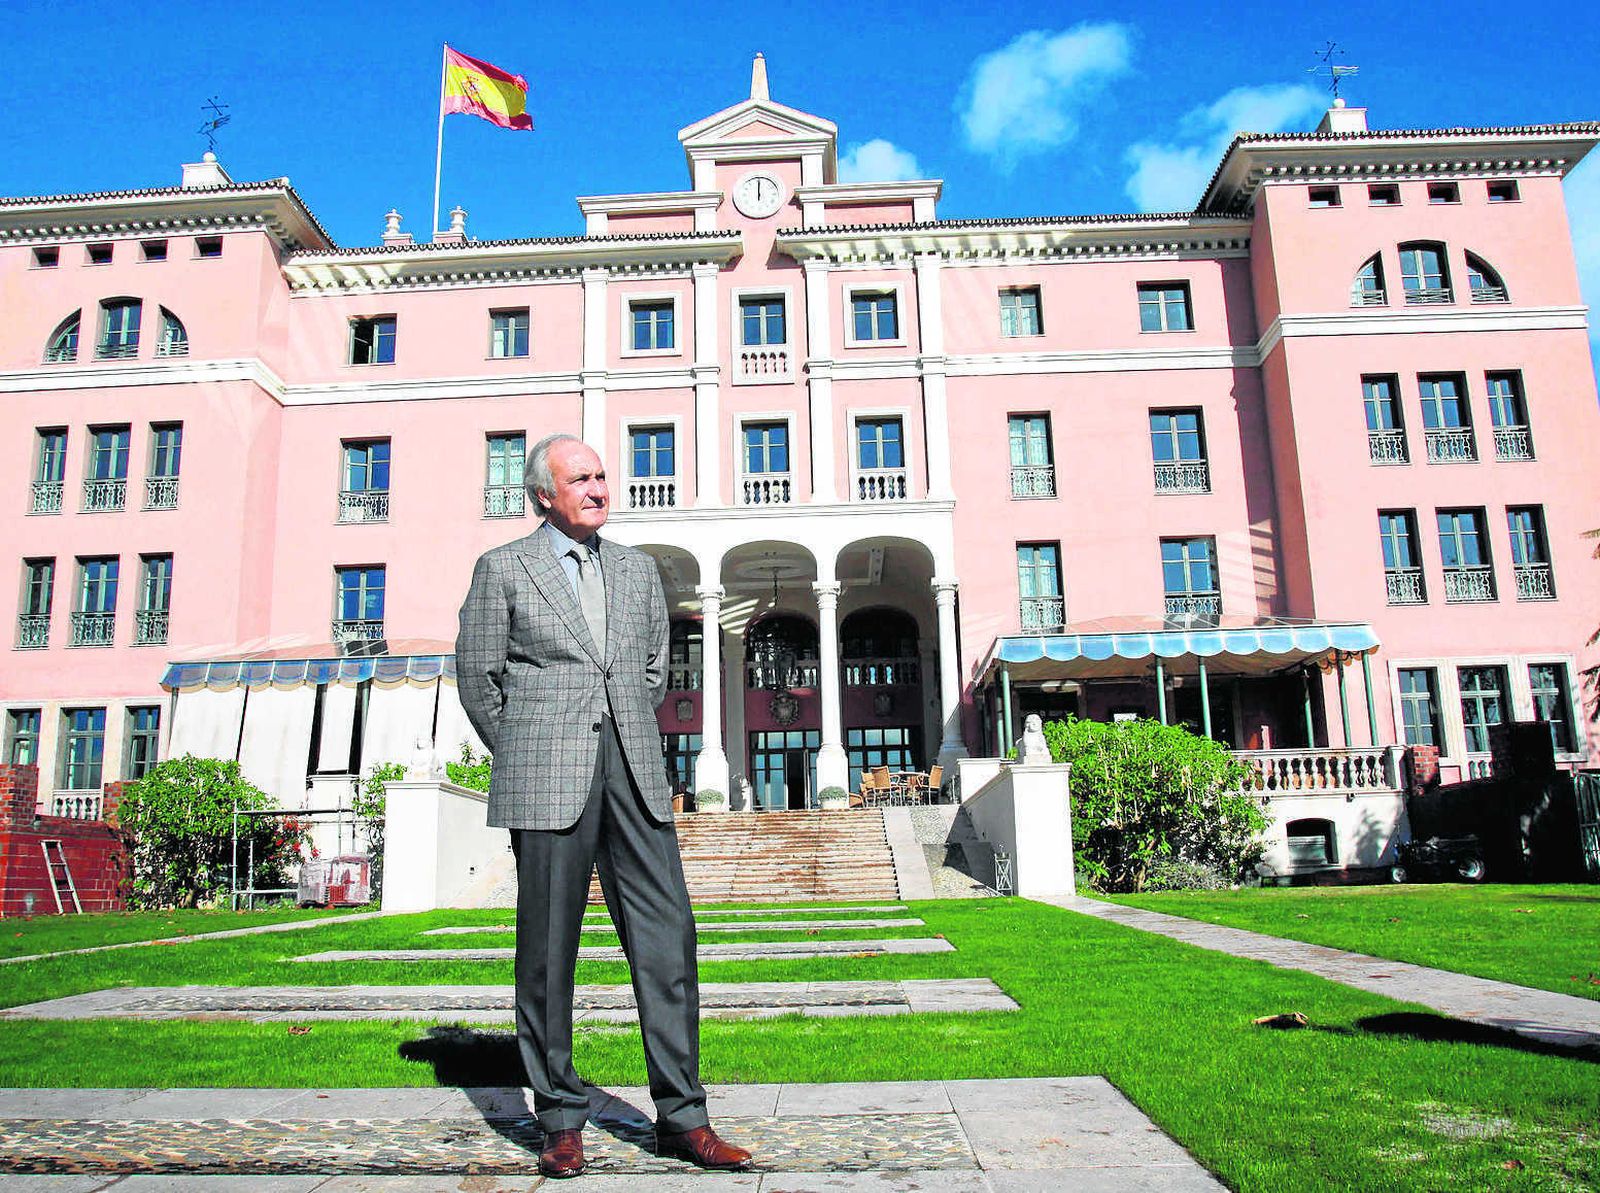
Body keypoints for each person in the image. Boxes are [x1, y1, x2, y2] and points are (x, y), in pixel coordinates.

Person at [456, 432, 752, 1179]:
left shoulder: (636, 569)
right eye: (579, 478)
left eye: (600, 475)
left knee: (668, 938)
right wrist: (529, 745)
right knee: (548, 956)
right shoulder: (503, 569)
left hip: (635, 770)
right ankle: (559, 1119)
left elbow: (653, 670)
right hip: (546, 777)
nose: (597, 487)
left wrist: (614, 724)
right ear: (544, 496)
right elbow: (477, 678)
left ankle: (683, 1118)